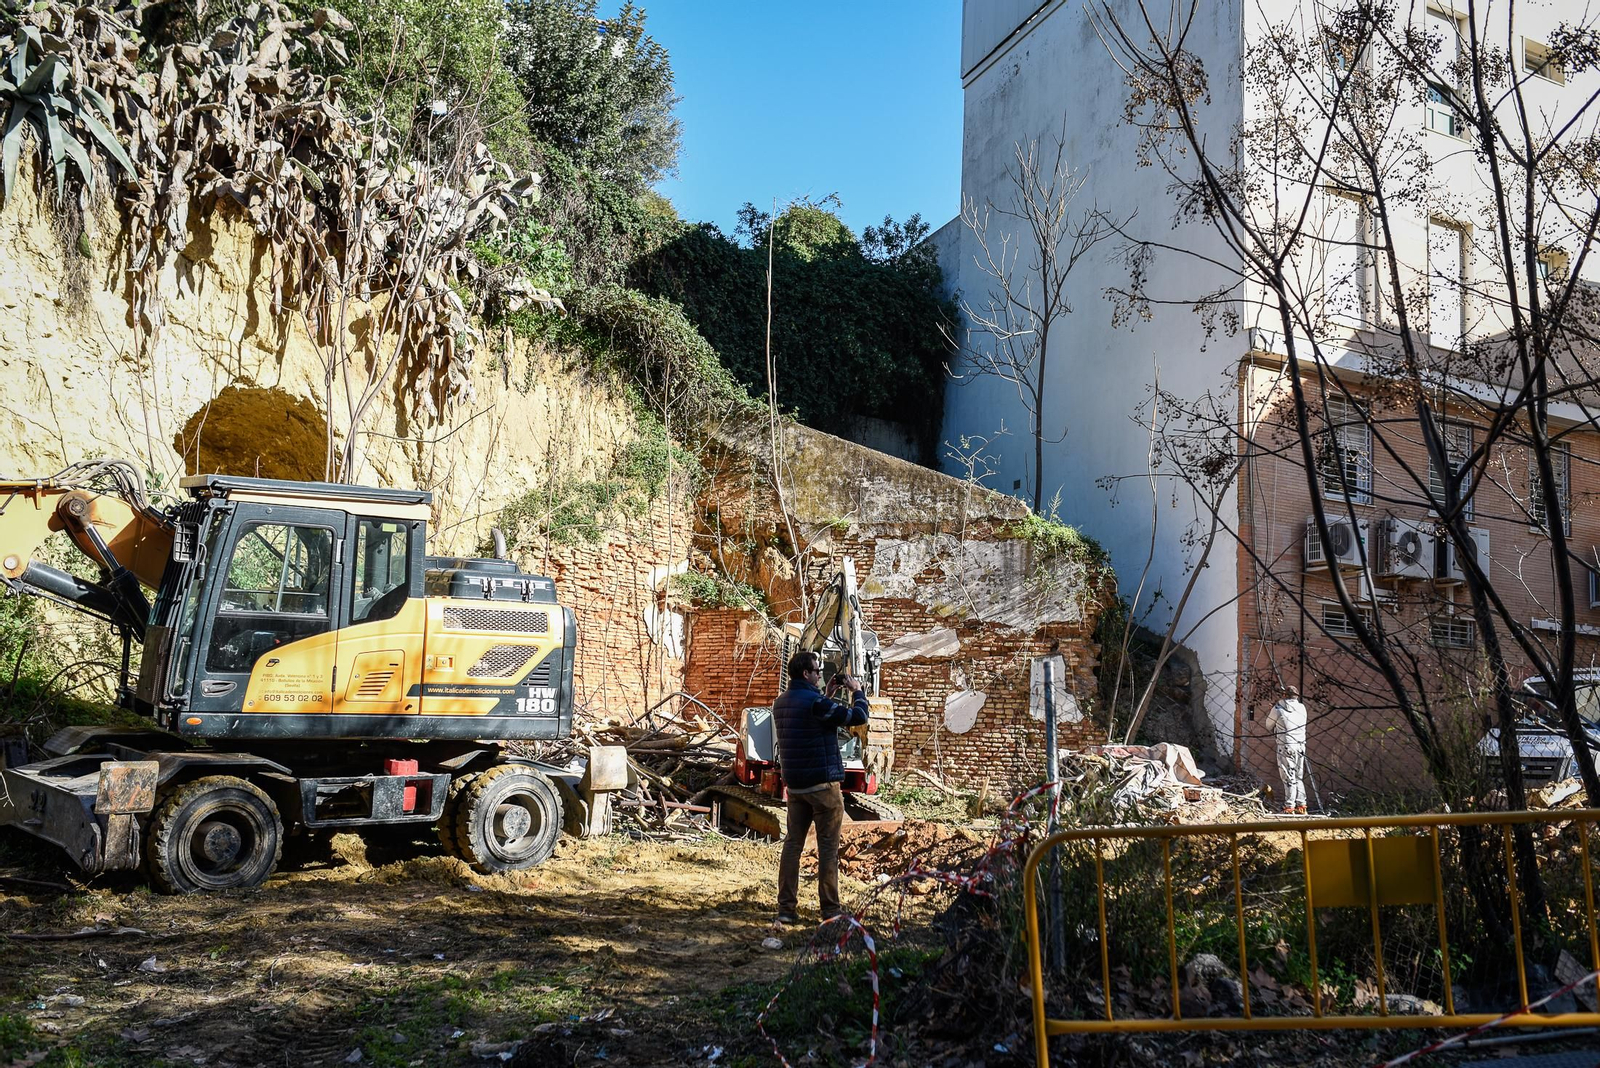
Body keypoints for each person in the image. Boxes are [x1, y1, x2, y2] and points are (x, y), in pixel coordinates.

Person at [772, 650, 869, 925]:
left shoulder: (781, 703)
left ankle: (786, 910)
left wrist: (826, 694)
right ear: (806, 674)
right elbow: (857, 717)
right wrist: (857, 691)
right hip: (823, 786)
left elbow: (811, 718)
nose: (819, 674)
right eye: (817, 671)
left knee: (792, 845)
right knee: (828, 848)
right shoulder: (815, 703)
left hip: (796, 787)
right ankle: (830, 910)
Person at [1263, 684, 1309, 814]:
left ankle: (1289, 807)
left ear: (1284, 695)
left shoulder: (1278, 709)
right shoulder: (1302, 708)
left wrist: (1274, 709)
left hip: (1286, 745)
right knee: (1298, 776)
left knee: (1288, 777)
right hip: (1301, 746)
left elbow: (1268, 725)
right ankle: (1302, 805)